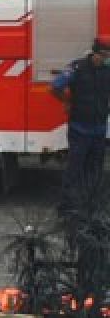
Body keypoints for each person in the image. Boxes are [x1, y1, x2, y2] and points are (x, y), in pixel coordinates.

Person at [51, 37, 110, 205]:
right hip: (80, 128)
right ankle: (68, 205)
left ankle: (91, 203)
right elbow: (55, 86)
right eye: (103, 55)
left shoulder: (108, 69)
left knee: (95, 169)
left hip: (99, 128)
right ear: (94, 53)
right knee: (75, 169)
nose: (105, 59)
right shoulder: (77, 68)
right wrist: (67, 101)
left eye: (108, 56)